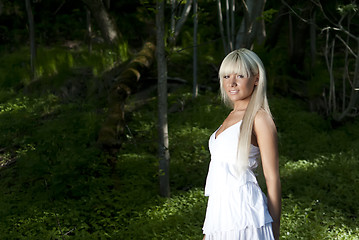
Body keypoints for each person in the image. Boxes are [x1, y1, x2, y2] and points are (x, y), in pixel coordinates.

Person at [202, 48, 281, 240]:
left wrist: (275, 231)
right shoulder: (229, 118)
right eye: (226, 76)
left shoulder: (259, 118)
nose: (232, 82)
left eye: (240, 75)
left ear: (256, 78)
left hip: (246, 216)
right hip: (219, 215)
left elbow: (272, 179)